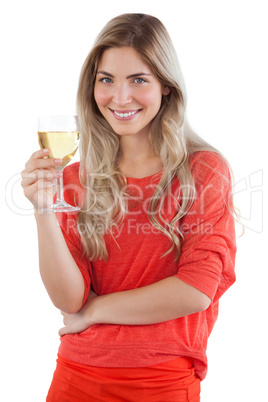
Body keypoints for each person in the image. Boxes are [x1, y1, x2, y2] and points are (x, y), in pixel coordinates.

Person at [21, 13, 236, 402]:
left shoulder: (203, 170)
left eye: (138, 80)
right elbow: (68, 301)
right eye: (107, 80)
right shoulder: (73, 179)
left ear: (166, 87)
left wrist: (95, 310)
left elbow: (197, 289)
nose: (120, 98)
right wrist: (42, 208)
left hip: (162, 379)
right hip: (75, 376)